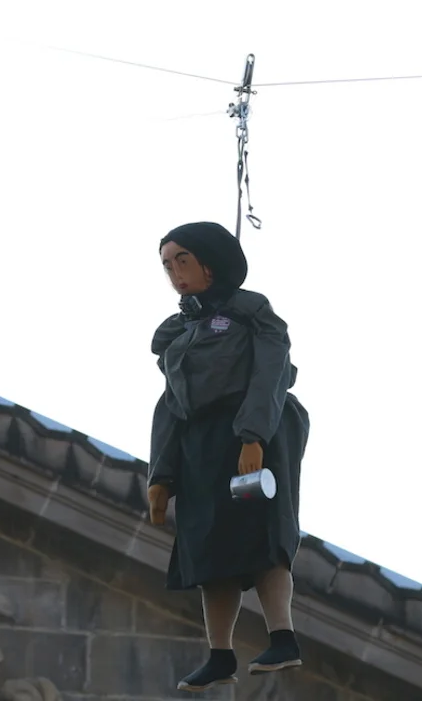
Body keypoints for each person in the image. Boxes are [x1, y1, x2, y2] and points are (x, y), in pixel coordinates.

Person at [147, 221, 311, 692]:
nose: (175, 273)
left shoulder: (250, 312)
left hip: (250, 430)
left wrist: (253, 435)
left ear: (209, 264)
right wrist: (162, 475)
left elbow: (270, 372)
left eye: (183, 261)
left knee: (261, 534)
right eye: (167, 265)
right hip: (200, 445)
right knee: (208, 548)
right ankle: (220, 654)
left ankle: (282, 637)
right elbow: (171, 404)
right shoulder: (178, 332)